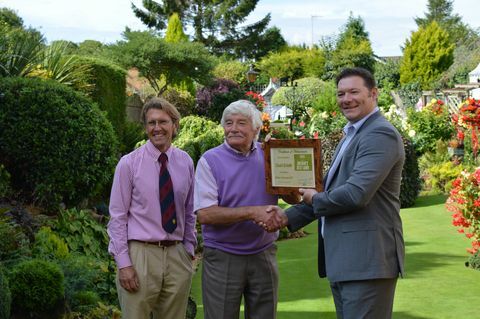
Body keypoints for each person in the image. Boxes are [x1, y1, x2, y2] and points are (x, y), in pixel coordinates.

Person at [265, 67, 405, 319]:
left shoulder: (379, 134)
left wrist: (315, 198)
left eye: (354, 91)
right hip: (347, 261)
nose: (346, 99)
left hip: (367, 262)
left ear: (374, 94)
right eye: (341, 93)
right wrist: (286, 217)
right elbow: (331, 191)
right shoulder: (352, 133)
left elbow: (355, 194)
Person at [194, 99, 298, 319]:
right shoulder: (209, 161)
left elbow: (294, 198)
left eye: (241, 123)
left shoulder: (270, 155)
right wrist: (253, 212)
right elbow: (205, 214)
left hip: (263, 253)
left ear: (256, 129)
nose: (233, 129)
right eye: (229, 123)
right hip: (223, 255)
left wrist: (287, 170)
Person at [107, 97, 196, 319]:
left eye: (163, 122)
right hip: (140, 257)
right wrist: (124, 264)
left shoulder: (185, 162)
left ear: (174, 125)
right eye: (151, 123)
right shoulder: (129, 163)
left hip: (177, 256)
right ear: (145, 127)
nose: (157, 128)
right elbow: (117, 218)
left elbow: (189, 211)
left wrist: (189, 249)